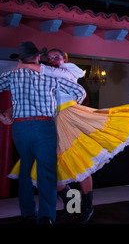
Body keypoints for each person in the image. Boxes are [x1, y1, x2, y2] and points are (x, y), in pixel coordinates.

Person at [7, 48, 129, 223]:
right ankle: (72, 203)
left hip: (70, 117)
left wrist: (24, 64)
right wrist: (10, 111)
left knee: (80, 163)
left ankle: (87, 208)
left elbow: (50, 72)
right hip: (52, 121)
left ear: (65, 60)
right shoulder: (45, 77)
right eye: (49, 58)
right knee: (54, 169)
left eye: (57, 57)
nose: (52, 60)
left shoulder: (70, 70)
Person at [0, 41, 86, 224]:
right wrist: (69, 110)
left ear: (22, 59)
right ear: (38, 57)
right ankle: (46, 216)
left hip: (20, 127)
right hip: (45, 126)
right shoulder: (50, 76)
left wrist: (2, 115)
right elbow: (79, 91)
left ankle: (27, 213)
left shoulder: (12, 75)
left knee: (25, 169)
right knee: (46, 171)